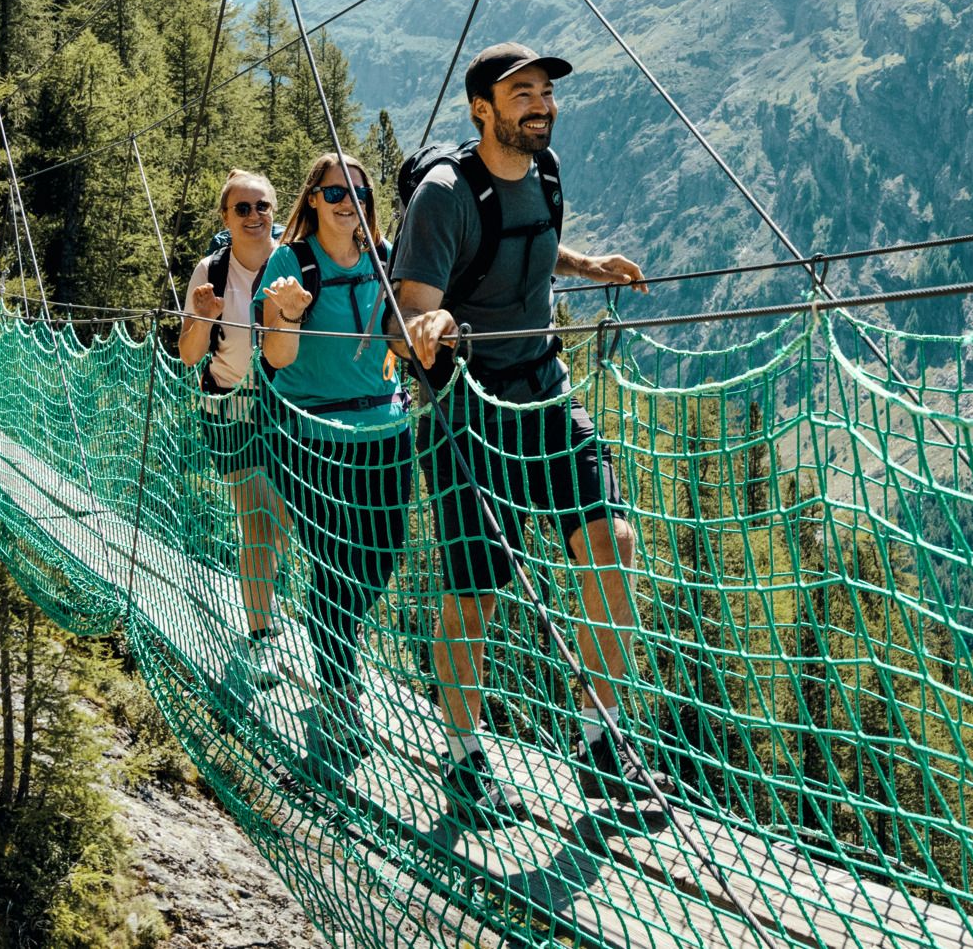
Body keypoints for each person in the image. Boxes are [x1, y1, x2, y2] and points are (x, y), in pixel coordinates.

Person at [390, 42, 666, 830]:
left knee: (611, 541)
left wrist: (588, 265)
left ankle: (600, 742)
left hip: (545, 394)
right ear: (483, 108)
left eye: (546, 91)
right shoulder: (443, 195)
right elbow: (413, 310)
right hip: (467, 414)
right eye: (523, 92)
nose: (541, 103)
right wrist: (430, 324)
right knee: (474, 595)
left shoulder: (546, 171)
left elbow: (530, 253)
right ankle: (463, 754)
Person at [253, 150, 414, 780]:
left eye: (358, 192)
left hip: (385, 425)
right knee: (332, 555)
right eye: (334, 194)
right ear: (312, 201)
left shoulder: (387, 257)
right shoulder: (291, 263)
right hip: (311, 429)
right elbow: (281, 358)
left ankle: (336, 648)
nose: (348, 203)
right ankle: (340, 687)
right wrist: (286, 311)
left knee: (381, 552)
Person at [176, 168, 289, 697]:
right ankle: (262, 634)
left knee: (288, 521)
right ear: (225, 217)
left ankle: (273, 609)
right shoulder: (211, 270)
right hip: (230, 408)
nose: (254, 216)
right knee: (260, 519)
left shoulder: (292, 261)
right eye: (242, 208)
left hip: (288, 407)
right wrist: (202, 316)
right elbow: (190, 354)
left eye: (262, 206)